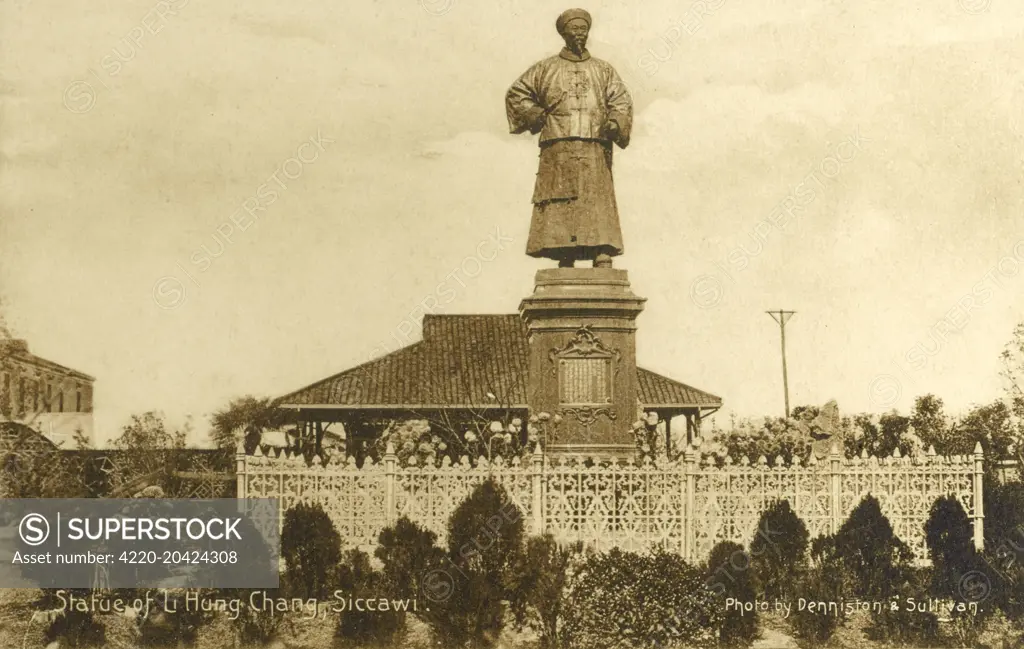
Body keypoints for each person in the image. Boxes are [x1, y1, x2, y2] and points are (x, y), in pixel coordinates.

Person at [506, 8, 633, 268]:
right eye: (574, 29)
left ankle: (601, 250)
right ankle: (564, 251)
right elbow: (516, 93)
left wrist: (614, 122)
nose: (579, 34)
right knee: (560, 197)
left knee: (595, 198)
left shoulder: (603, 70)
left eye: (583, 29)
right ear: (564, 33)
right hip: (558, 145)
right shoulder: (545, 68)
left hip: (594, 145)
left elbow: (621, 100)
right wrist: (534, 113)